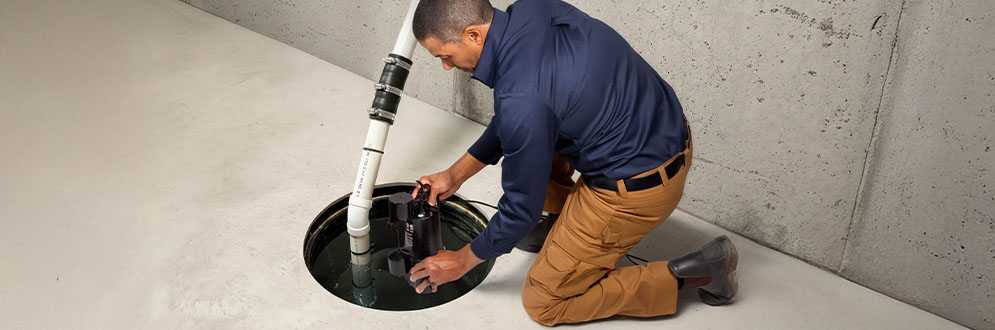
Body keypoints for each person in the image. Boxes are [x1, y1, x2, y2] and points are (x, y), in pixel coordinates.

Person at [405, 0, 738, 326]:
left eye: (444, 56)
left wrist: (462, 261)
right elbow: (520, 113)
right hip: (667, 132)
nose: (446, 66)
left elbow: (520, 209)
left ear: (473, 35)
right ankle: (561, 230)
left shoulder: (522, 100)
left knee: (545, 301)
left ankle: (701, 273)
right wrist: (454, 175)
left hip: (637, 190)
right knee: (539, 125)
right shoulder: (532, 10)